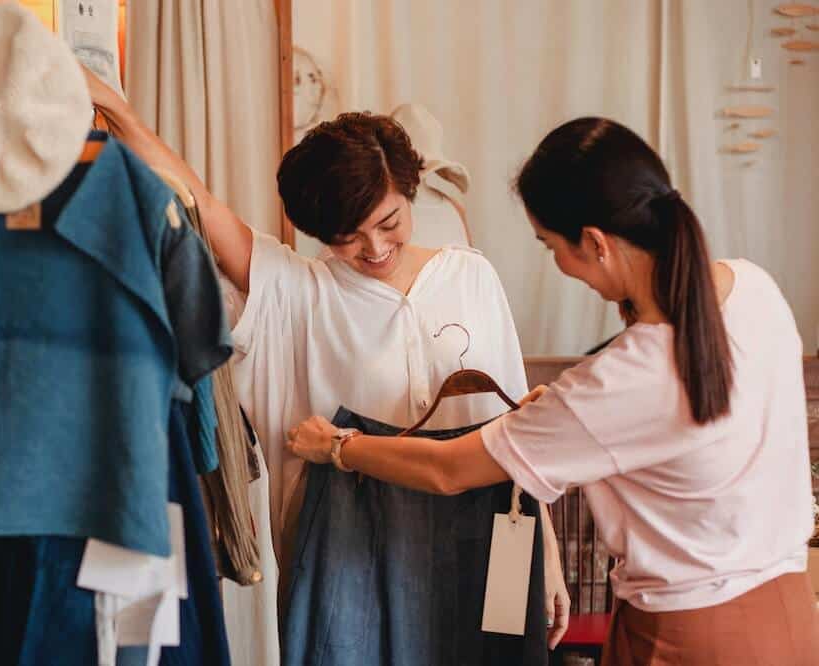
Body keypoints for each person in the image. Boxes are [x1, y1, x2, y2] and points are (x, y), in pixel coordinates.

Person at [286, 117, 819, 665]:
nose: (560, 266)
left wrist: (336, 446)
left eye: (548, 247)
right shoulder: (755, 288)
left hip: (687, 636)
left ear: (594, 243)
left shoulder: (617, 380)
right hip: (793, 616)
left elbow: (446, 471)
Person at [85, 70, 571, 647]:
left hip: (486, 538)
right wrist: (114, 107)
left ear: (411, 191)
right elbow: (197, 202)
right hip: (351, 557)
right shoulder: (297, 294)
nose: (374, 248)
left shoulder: (470, 276)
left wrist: (549, 559)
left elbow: (518, 434)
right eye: (347, 236)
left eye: (388, 222)